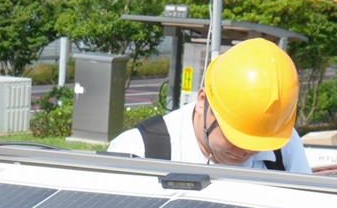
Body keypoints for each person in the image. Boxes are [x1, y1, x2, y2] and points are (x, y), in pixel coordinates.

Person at [109, 38, 313, 172]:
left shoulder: (281, 144)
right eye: (235, 136)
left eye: (257, 144)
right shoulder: (139, 150)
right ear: (202, 102)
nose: (245, 151)